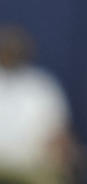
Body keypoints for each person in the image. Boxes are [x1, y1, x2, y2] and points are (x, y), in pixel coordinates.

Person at [0, 26, 74, 184]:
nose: (10, 52)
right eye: (6, 47)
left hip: (33, 166)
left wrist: (61, 154)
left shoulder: (42, 85)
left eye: (15, 48)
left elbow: (58, 132)